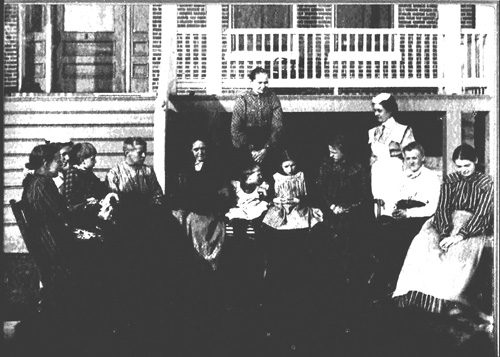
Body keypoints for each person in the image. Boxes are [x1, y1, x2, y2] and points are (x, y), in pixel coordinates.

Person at [19, 144, 106, 354]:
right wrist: (88, 223)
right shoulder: (43, 184)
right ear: (45, 163)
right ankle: (89, 330)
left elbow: (60, 215)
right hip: (56, 253)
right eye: (57, 159)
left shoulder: (34, 183)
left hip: (51, 245)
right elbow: (62, 219)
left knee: (96, 244)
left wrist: (84, 208)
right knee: (101, 252)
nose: (61, 162)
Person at [393, 144, 493, 315]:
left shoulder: (486, 183)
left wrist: (459, 236)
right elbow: (443, 209)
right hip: (445, 224)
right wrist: (444, 234)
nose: (463, 170)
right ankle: (417, 296)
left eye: (467, 165)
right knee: (422, 243)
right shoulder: (450, 180)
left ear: (475, 161)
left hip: (471, 227)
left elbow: (482, 214)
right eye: (459, 166)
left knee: (457, 252)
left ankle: (446, 301)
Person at [370, 141, 441, 294]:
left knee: (397, 237)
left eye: (414, 158)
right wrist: (394, 211)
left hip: (419, 217)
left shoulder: (430, 177)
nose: (411, 162)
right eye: (407, 158)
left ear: (423, 158)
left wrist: (408, 213)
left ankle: (391, 282)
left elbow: (433, 207)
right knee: (379, 229)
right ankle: (384, 278)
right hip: (402, 215)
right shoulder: (403, 176)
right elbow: (395, 199)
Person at [315, 134, 373, 294]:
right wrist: (332, 206)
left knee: (350, 241)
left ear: (344, 151)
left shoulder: (358, 168)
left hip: (352, 213)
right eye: (329, 152)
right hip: (329, 211)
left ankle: (350, 282)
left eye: (334, 152)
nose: (330, 155)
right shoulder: (326, 166)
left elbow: (364, 195)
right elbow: (320, 191)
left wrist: (348, 208)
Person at [168, 138, 231, 270]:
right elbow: (180, 192)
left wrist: (218, 206)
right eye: (196, 149)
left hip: (209, 210)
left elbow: (223, 191)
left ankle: (207, 265)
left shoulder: (215, 168)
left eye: (203, 149)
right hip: (190, 209)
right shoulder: (185, 170)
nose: (200, 152)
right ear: (191, 151)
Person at [231, 66, 284, 179]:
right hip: (246, 145)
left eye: (266, 83)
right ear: (251, 82)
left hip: (268, 144)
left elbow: (277, 127)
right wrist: (251, 150)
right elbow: (236, 129)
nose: (263, 86)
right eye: (259, 82)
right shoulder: (242, 100)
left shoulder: (273, 99)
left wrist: (266, 149)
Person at [369, 93, 415, 216]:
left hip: (395, 175)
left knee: (393, 210)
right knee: (379, 210)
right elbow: (373, 157)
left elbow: (410, 156)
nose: (376, 114)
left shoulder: (403, 130)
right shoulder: (373, 132)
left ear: (389, 110)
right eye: (374, 111)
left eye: (379, 110)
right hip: (378, 176)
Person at [262, 149, 322, 230]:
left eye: (293, 165)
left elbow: (311, 195)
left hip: (299, 207)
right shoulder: (276, 178)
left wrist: (299, 200)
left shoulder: (301, 176)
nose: (290, 169)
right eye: (286, 166)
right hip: (281, 208)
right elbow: (270, 195)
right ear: (281, 165)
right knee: (273, 224)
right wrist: (276, 199)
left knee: (303, 224)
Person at [62, 142, 111, 232]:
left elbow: (100, 189)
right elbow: (70, 199)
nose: (95, 162)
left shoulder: (89, 173)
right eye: (92, 159)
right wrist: (86, 201)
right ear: (82, 160)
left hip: (93, 213)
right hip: (80, 218)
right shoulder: (73, 173)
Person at [106, 137, 164, 208]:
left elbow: (157, 195)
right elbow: (113, 200)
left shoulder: (148, 171)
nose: (144, 155)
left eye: (145, 152)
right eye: (140, 153)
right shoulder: (114, 174)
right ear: (127, 153)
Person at [225, 163, 270, 238]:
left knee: (260, 223)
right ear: (248, 177)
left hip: (255, 210)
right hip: (239, 211)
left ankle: (259, 241)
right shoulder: (236, 186)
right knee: (238, 224)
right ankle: (240, 242)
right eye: (258, 175)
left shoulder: (261, 187)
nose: (261, 177)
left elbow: (266, 201)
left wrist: (265, 195)